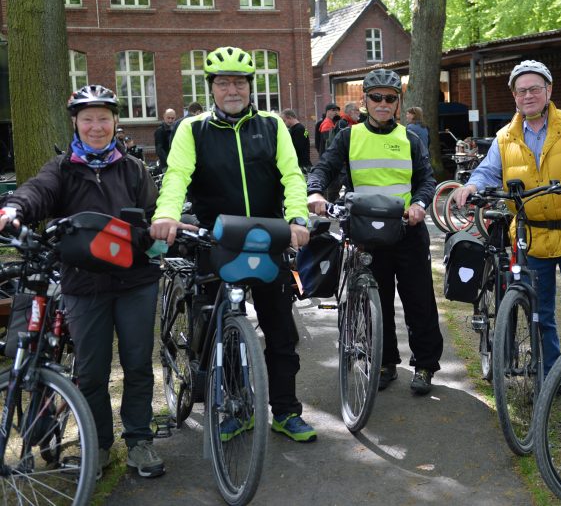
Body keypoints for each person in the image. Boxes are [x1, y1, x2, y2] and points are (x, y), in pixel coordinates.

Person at [149, 46, 317, 443]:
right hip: (216, 238)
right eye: (223, 83)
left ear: (249, 87)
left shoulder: (273, 126)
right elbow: (176, 176)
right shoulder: (192, 129)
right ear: (211, 88)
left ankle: (286, 412)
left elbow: (293, 176)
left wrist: (297, 217)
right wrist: (167, 214)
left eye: (239, 82)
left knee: (280, 331)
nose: (232, 90)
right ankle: (236, 406)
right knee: (217, 325)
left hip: (267, 238)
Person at [0, 84, 164, 479]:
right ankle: (99, 444)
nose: (96, 126)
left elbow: (155, 211)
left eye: (103, 119)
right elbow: (36, 192)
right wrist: (13, 208)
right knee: (90, 372)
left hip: (135, 280)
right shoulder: (61, 169)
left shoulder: (134, 168)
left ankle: (140, 440)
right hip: (84, 285)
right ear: (75, 123)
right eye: (88, 119)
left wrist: (156, 231)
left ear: (114, 122)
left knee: (138, 363)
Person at [452, 60, 561, 403]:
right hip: (530, 235)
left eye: (535, 88)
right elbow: (488, 171)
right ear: (514, 96)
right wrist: (471, 187)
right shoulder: (505, 136)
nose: (528, 95)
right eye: (521, 90)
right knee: (540, 313)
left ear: (549, 90)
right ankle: (550, 376)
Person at [307, 69, 443, 394]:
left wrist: (421, 203)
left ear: (398, 103)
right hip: (366, 233)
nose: (383, 103)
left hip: (407, 230)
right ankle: (384, 362)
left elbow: (426, 178)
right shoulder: (348, 136)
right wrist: (314, 191)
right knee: (374, 302)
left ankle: (424, 366)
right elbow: (324, 167)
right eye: (377, 97)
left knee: (419, 301)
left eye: (390, 98)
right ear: (364, 100)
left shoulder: (409, 138)